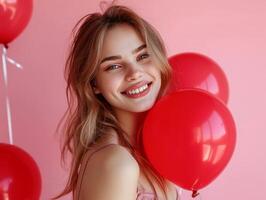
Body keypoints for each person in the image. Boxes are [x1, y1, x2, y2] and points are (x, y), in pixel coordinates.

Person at [53, 3, 179, 200]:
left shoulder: (159, 148)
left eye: (143, 56)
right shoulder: (118, 164)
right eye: (113, 66)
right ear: (94, 83)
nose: (135, 73)